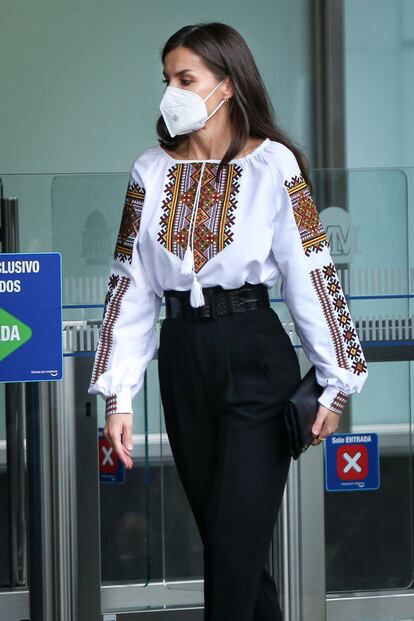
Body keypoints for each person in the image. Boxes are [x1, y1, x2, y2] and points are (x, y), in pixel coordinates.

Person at [88, 22, 368, 621]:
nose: (173, 91)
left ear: (227, 85)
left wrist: (337, 378)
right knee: (227, 545)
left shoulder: (274, 164)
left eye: (186, 78)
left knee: (234, 548)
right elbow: (128, 286)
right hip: (183, 358)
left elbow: (310, 271)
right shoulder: (148, 171)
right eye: (167, 80)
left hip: (254, 352)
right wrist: (119, 395)